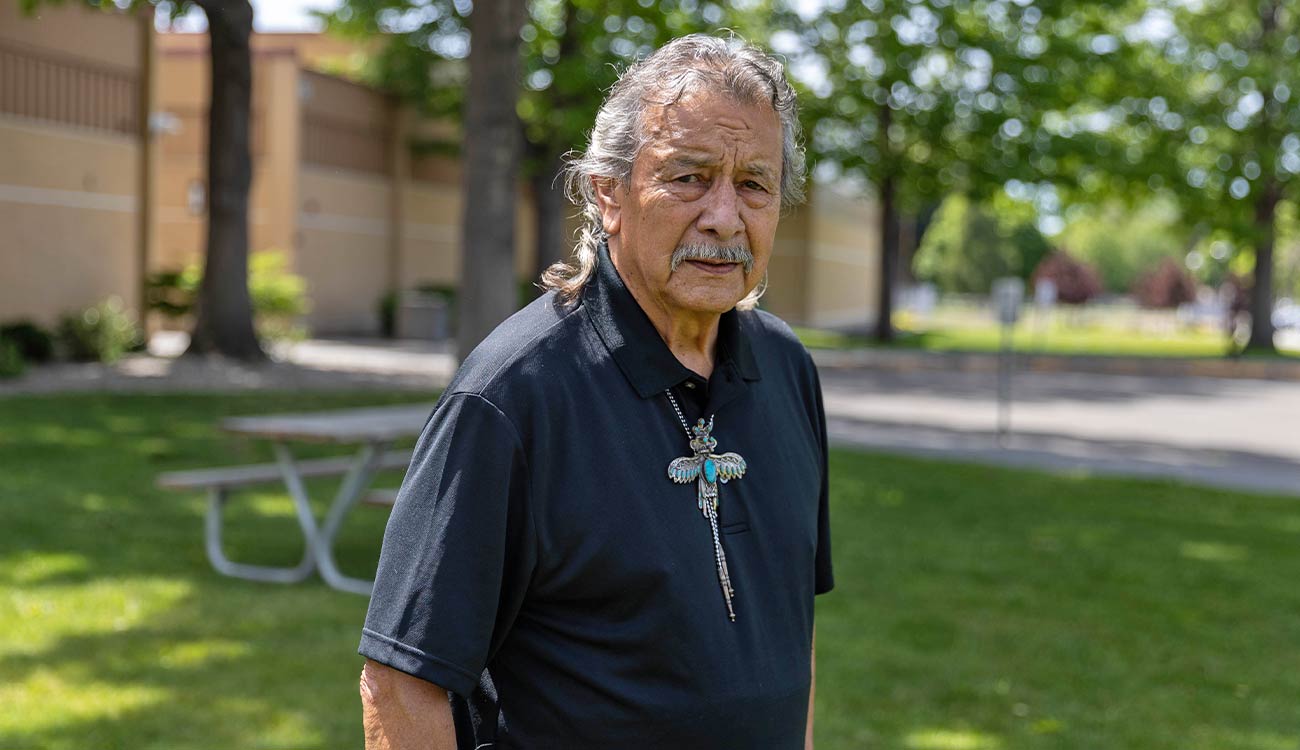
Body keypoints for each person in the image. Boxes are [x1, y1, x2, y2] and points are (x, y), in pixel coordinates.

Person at [358, 33, 834, 750]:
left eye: (754, 184)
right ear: (607, 194)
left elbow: (792, 625)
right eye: (688, 177)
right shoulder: (513, 395)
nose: (724, 217)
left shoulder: (788, 369)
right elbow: (402, 684)